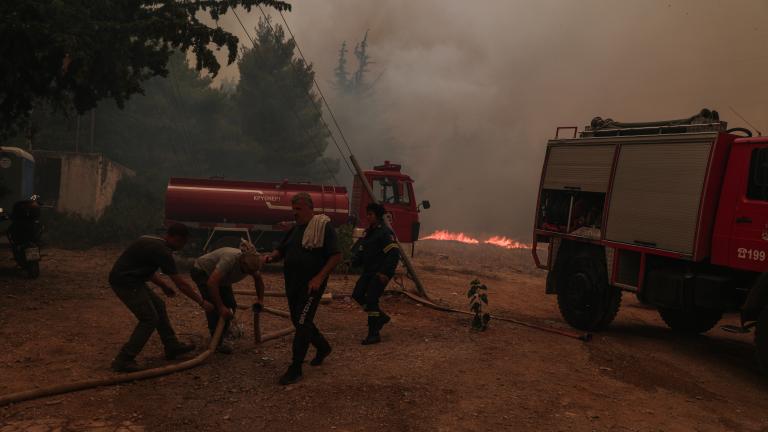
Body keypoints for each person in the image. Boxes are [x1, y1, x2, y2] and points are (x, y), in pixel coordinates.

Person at [109, 223, 214, 372]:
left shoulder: (152, 240)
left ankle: (172, 346)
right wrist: (202, 302)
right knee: (149, 319)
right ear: (174, 237)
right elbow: (182, 285)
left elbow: (146, 268)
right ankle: (124, 359)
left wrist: (163, 286)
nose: (182, 246)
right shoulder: (163, 251)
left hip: (133, 279)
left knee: (159, 306)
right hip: (125, 282)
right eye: (181, 243)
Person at [265, 192, 341, 385]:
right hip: (292, 283)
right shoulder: (294, 230)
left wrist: (319, 277)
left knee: (301, 321)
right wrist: (271, 257)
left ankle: (296, 367)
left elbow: (335, 256)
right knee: (300, 321)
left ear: (309, 208)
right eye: (293, 209)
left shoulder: (322, 227)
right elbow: (281, 250)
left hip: (311, 285)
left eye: (298, 209)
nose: (295, 213)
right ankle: (323, 347)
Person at [191, 241, 265, 353]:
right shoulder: (229, 260)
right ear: (242, 262)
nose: (250, 273)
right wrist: (220, 307)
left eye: (252, 271)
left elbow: (258, 280)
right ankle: (217, 342)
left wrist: (260, 300)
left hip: (220, 278)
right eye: (249, 271)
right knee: (214, 308)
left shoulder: (252, 262)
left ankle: (222, 332)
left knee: (230, 305)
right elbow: (212, 283)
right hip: (202, 271)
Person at [351, 202, 400, 345]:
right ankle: (381, 317)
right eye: (367, 214)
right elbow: (362, 251)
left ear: (378, 216)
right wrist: (353, 262)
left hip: (380, 273)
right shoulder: (368, 232)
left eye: (370, 214)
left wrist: (385, 273)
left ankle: (373, 334)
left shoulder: (385, 233)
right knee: (357, 295)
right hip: (368, 271)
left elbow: (393, 254)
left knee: (372, 300)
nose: (367, 217)